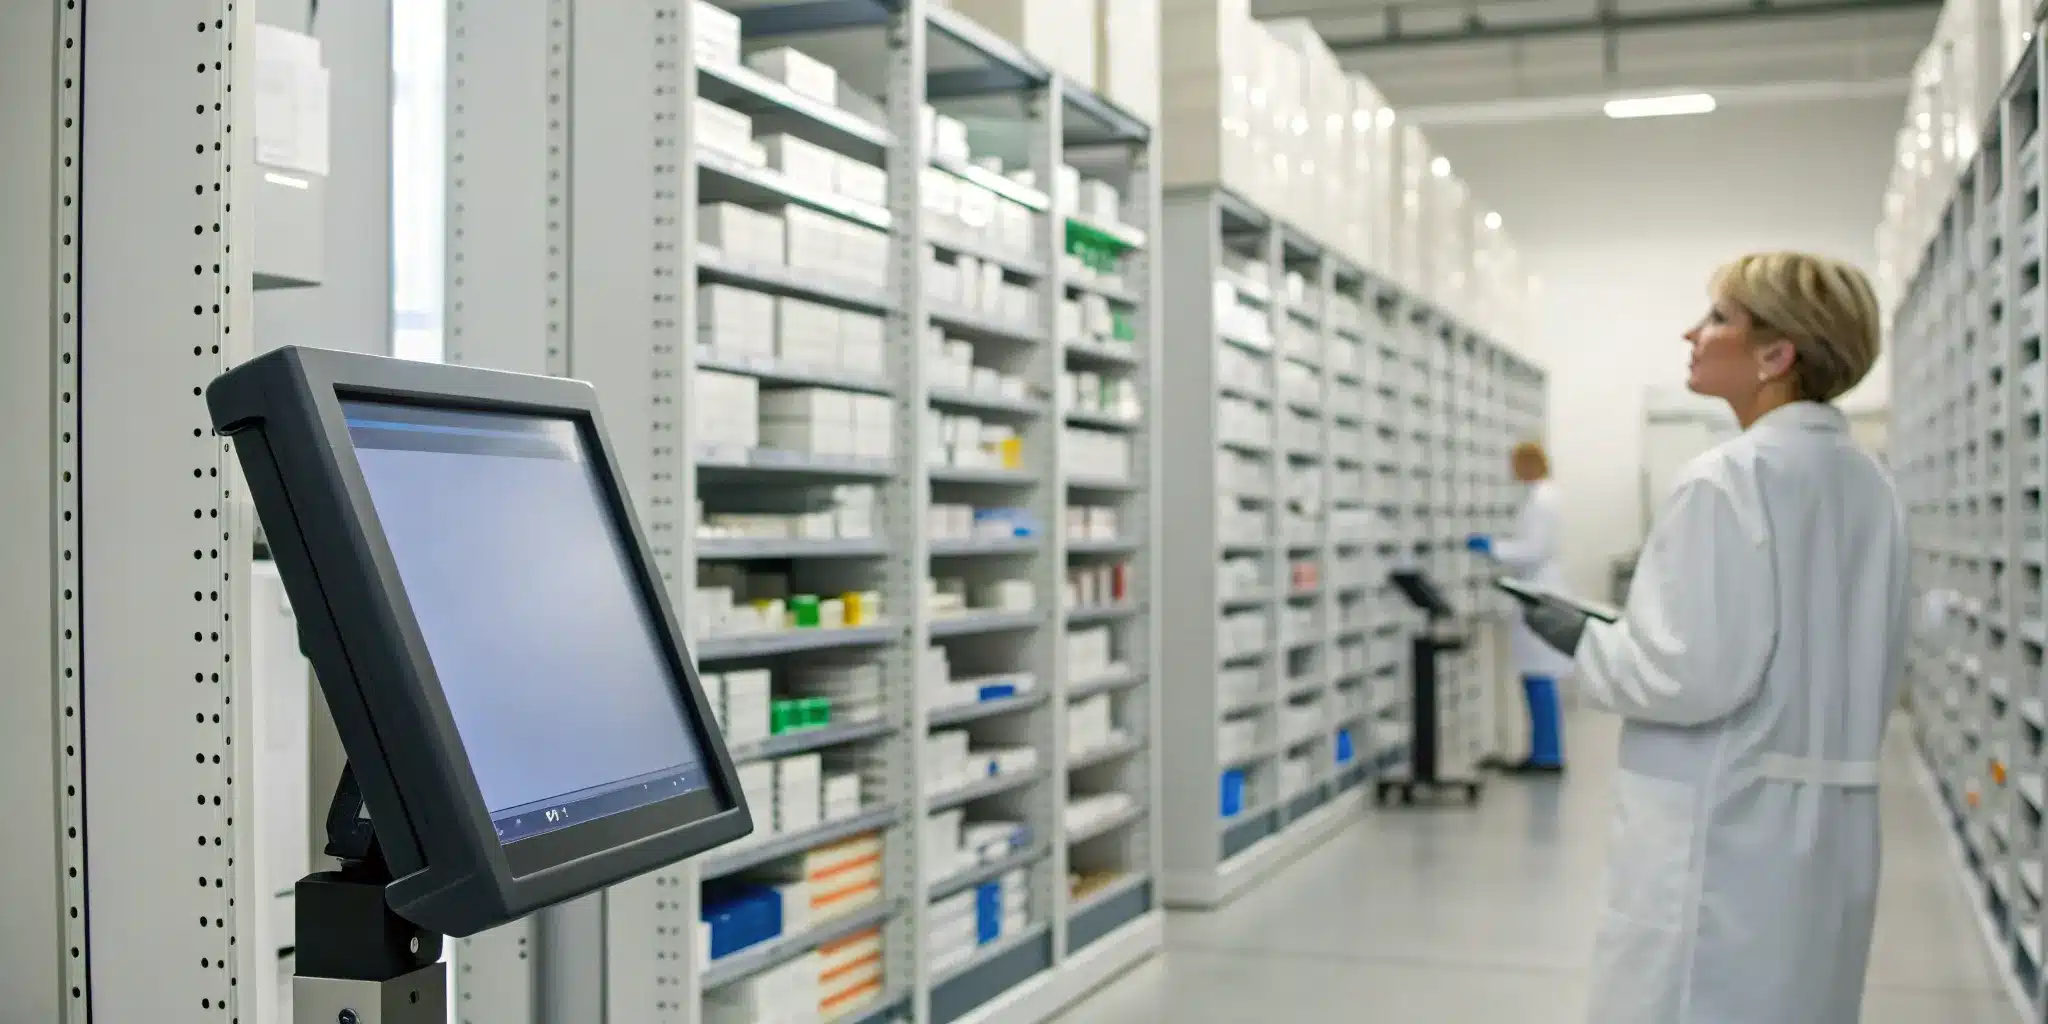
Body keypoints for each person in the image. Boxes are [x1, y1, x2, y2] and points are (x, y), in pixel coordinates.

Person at [1517, 251, 1907, 1023]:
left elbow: (1684, 676)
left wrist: (1588, 642)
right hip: (1828, 836)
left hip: (1727, 834)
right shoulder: (1869, 484)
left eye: (1720, 317)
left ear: (1776, 354)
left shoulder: (1729, 477)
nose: (1692, 332)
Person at [1466, 441, 1570, 774]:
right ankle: (1542, 751)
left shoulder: (1542, 499)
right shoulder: (1542, 496)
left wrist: (1493, 547)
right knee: (1535, 672)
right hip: (1535, 589)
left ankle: (1547, 755)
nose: (1511, 470)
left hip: (1538, 592)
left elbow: (1533, 550)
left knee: (1538, 672)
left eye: (1515, 463)